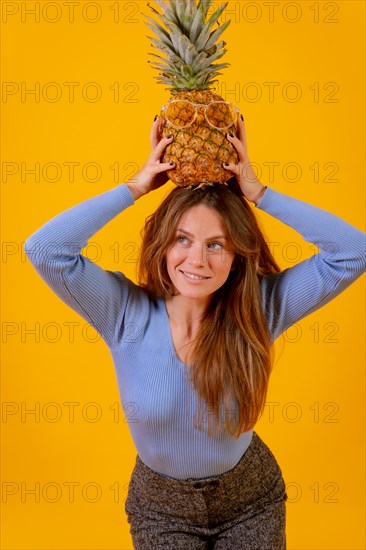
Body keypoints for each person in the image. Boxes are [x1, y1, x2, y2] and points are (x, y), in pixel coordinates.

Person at [24, 116, 366, 550]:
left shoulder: (258, 309)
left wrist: (260, 194)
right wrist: (136, 186)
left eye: (216, 245)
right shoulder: (123, 312)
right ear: (163, 244)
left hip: (250, 499)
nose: (197, 260)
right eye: (183, 240)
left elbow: (354, 252)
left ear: (237, 255)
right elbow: (45, 249)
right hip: (160, 509)